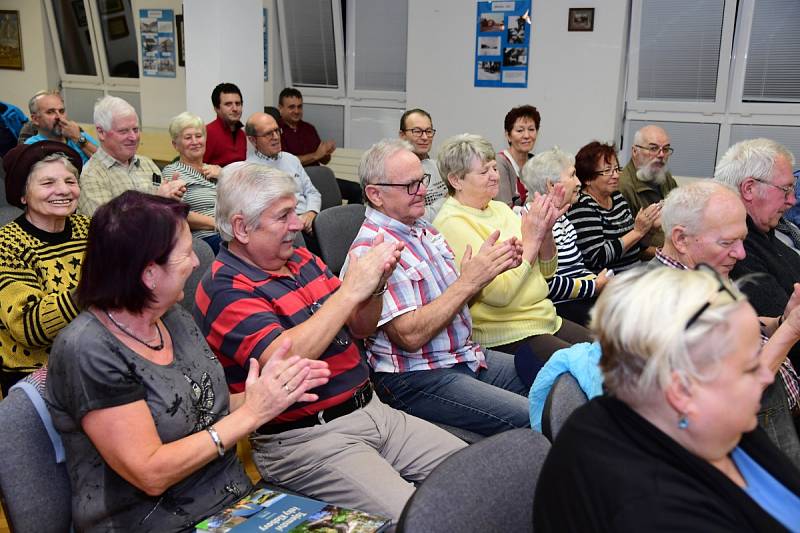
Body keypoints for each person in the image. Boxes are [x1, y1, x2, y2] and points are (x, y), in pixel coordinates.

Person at [194, 163, 465, 521]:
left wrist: (375, 287)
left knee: (477, 476)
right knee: (423, 518)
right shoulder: (224, 287)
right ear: (242, 227)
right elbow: (283, 361)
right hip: (307, 440)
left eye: (294, 211)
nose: (297, 223)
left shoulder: (301, 258)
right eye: (283, 216)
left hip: (374, 410)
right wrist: (351, 289)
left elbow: (361, 327)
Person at [46, 190, 330, 532]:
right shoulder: (89, 350)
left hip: (232, 504)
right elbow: (151, 473)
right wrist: (254, 413)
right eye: (185, 254)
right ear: (149, 273)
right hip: (150, 521)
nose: (197, 262)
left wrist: (269, 392)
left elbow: (206, 410)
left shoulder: (173, 318)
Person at [534, 267, 800, 532]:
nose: (766, 375)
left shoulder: (703, 420)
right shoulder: (654, 513)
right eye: (750, 366)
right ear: (682, 392)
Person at [347, 138, 531, 436]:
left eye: (422, 180)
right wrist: (468, 282)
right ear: (375, 194)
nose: (422, 191)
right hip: (417, 376)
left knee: (554, 382)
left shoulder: (423, 229)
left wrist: (481, 276)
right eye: (410, 186)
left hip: (463, 354)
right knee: (531, 416)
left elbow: (455, 304)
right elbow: (410, 336)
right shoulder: (373, 249)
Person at [652, 181, 800, 469]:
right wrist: (791, 331)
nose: (741, 254)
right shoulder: (664, 299)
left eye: (742, 240)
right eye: (727, 243)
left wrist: (782, 320)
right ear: (681, 239)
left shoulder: (703, 272)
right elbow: (733, 392)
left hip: (774, 422)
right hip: (750, 454)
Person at [433, 134, 591, 387]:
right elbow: (500, 294)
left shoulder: (500, 209)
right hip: (505, 332)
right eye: (484, 172)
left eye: (494, 167)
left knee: (611, 354)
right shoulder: (452, 223)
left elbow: (548, 271)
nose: (495, 176)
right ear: (456, 180)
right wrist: (531, 241)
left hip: (544, 317)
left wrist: (546, 229)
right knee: (588, 374)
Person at [0, 142, 87, 395]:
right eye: (48, 183)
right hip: (37, 375)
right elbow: (28, 327)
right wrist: (93, 289)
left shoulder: (90, 229)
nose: (63, 191)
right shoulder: (7, 245)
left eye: (70, 181)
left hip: (97, 357)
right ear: (23, 195)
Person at [520, 147, 609, 326]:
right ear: (551, 186)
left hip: (578, 299)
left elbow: (576, 268)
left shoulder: (561, 218)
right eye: (572, 175)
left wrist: (599, 281)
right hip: (559, 307)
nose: (578, 182)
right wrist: (594, 286)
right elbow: (546, 284)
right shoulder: (530, 221)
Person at [714, 138, 800, 320]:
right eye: (785, 189)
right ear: (749, 189)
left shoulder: (764, 234)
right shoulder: (737, 252)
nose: (792, 200)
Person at [78, 96, 186, 216]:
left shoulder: (147, 164)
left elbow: (167, 215)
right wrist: (157, 201)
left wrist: (172, 200)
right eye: (123, 131)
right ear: (101, 132)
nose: (133, 137)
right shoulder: (92, 175)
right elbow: (108, 227)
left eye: (135, 129)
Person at [567, 141, 660, 274]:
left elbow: (636, 249)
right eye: (607, 171)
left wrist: (649, 229)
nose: (616, 175)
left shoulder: (617, 197)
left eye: (617, 169)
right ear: (587, 179)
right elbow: (597, 258)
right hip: (610, 281)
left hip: (635, 272)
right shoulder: (582, 206)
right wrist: (637, 232)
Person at [245, 112, 321, 236]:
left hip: (308, 221)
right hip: (283, 230)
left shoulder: (291, 159)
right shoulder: (250, 170)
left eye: (276, 130)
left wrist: (311, 212)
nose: (275, 137)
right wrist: (295, 221)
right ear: (253, 140)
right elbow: (262, 213)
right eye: (268, 134)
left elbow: (312, 192)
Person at [162, 112, 223, 253]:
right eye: (188, 138)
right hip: (205, 239)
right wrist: (219, 224)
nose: (195, 142)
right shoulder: (173, 172)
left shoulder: (215, 170)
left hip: (230, 232)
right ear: (175, 145)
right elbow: (177, 213)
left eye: (199, 136)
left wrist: (223, 175)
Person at [618, 125, 678, 247]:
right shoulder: (623, 187)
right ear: (635, 151)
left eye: (665, 149)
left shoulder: (665, 177)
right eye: (653, 148)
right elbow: (629, 247)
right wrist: (669, 254)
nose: (661, 155)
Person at [399, 108, 448, 221]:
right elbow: (414, 219)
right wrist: (450, 200)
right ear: (402, 135)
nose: (425, 137)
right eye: (417, 131)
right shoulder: (396, 172)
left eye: (429, 131)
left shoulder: (437, 165)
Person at [24, 90, 98, 163]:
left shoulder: (78, 135)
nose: (59, 117)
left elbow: (106, 162)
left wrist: (78, 138)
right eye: (50, 112)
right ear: (35, 119)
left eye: (61, 111)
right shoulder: (32, 146)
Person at [278, 87, 336, 166]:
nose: (297, 111)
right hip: (294, 177)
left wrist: (326, 152)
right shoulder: (275, 131)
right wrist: (315, 156)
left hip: (315, 174)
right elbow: (285, 163)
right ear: (280, 108)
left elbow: (325, 161)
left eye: (299, 107)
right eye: (292, 107)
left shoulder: (309, 128)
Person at [495, 105, 540, 207]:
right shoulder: (500, 163)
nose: (527, 136)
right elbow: (504, 208)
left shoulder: (536, 163)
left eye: (531, 129)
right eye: (520, 130)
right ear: (508, 135)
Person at [203, 82, 247, 167]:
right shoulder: (207, 133)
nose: (235, 109)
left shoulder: (242, 134)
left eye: (238, 104)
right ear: (216, 108)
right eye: (228, 104)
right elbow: (198, 168)